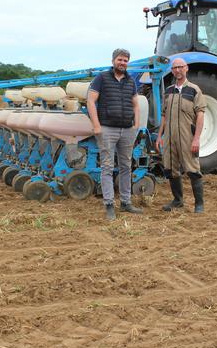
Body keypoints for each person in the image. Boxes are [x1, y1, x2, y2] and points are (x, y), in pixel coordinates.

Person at [86, 48, 143, 221]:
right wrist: (96, 125)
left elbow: (136, 105)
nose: (123, 63)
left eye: (125, 60)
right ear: (113, 61)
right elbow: (90, 101)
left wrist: (136, 125)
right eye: (120, 60)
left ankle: (126, 202)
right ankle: (109, 204)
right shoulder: (102, 78)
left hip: (127, 130)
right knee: (108, 167)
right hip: (107, 129)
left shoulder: (130, 81)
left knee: (126, 166)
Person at [156, 58, 207, 213]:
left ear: (186, 68)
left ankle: (199, 204)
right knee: (170, 168)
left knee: (192, 169)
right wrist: (159, 136)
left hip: (186, 137)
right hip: (170, 137)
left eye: (180, 67)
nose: (177, 70)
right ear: (172, 70)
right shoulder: (169, 91)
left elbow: (200, 115)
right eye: (174, 68)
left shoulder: (194, 90)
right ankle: (178, 200)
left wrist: (196, 138)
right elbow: (164, 115)